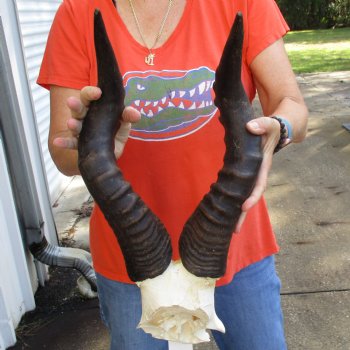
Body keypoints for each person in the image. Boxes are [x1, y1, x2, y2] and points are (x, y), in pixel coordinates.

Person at [38, 0, 308, 349]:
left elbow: (292, 106)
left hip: (234, 245)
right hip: (131, 258)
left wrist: (279, 128)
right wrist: (91, 144)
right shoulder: (77, 13)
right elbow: (63, 153)